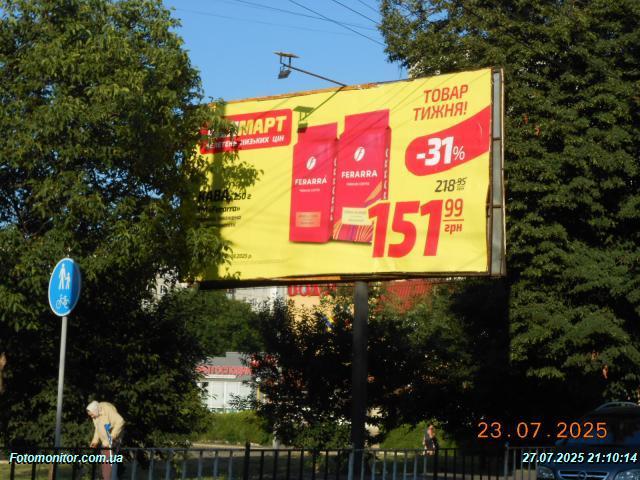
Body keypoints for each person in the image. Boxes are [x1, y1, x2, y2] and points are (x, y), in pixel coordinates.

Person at [87, 401, 125, 480]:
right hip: (105, 443)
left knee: (110, 468)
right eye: (90, 415)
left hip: (113, 442)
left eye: (92, 415)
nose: (92, 417)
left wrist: (111, 437)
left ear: (96, 410)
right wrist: (95, 441)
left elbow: (120, 421)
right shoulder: (96, 415)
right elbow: (97, 428)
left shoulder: (107, 410)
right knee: (105, 467)